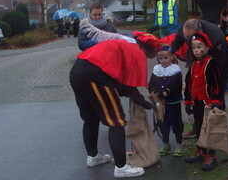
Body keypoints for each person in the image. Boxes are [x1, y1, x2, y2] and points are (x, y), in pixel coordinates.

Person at [69, 31, 162, 178]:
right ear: (147, 48)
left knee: (91, 119)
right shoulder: (136, 51)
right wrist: (145, 103)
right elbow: (130, 85)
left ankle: (93, 156)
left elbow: (120, 79)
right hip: (95, 77)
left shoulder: (126, 43)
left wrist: (133, 95)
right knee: (116, 121)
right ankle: (121, 167)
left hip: (77, 72)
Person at [171, 19, 228, 138]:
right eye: (186, 38)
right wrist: (171, 53)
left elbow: (217, 64)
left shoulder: (215, 36)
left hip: (220, 58)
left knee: (216, 93)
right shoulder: (184, 30)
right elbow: (176, 43)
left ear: (200, 32)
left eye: (190, 38)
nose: (187, 41)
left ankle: (217, 129)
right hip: (197, 58)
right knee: (196, 92)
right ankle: (198, 127)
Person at [183, 31, 223, 171]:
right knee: (199, 127)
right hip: (197, 103)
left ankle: (212, 156)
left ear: (207, 48)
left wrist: (216, 99)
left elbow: (217, 83)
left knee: (210, 129)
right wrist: (188, 102)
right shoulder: (193, 65)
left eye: (200, 47)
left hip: (210, 103)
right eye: (194, 47)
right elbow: (189, 84)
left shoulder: (212, 63)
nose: (197, 50)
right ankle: (201, 151)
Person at [148, 44, 184, 157]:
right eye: (161, 58)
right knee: (162, 122)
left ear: (172, 57)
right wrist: (154, 90)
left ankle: (179, 144)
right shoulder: (156, 70)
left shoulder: (176, 71)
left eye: (166, 58)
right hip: (160, 103)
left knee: (176, 122)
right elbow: (151, 84)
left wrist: (168, 91)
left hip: (173, 101)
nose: (163, 60)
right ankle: (165, 143)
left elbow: (178, 86)